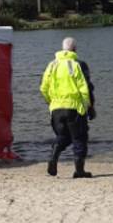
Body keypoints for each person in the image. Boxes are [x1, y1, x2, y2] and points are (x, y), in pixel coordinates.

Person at [40, 37, 92, 178]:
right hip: (74, 108)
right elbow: (84, 88)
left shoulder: (51, 65)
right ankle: (79, 171)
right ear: (74, 49)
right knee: (79, 138)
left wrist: (51, 102)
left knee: (63, 136)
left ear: (63, 49)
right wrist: (87, 106)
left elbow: (43, 88)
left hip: (56, 109)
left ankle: (53, 155)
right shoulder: (74, 65)